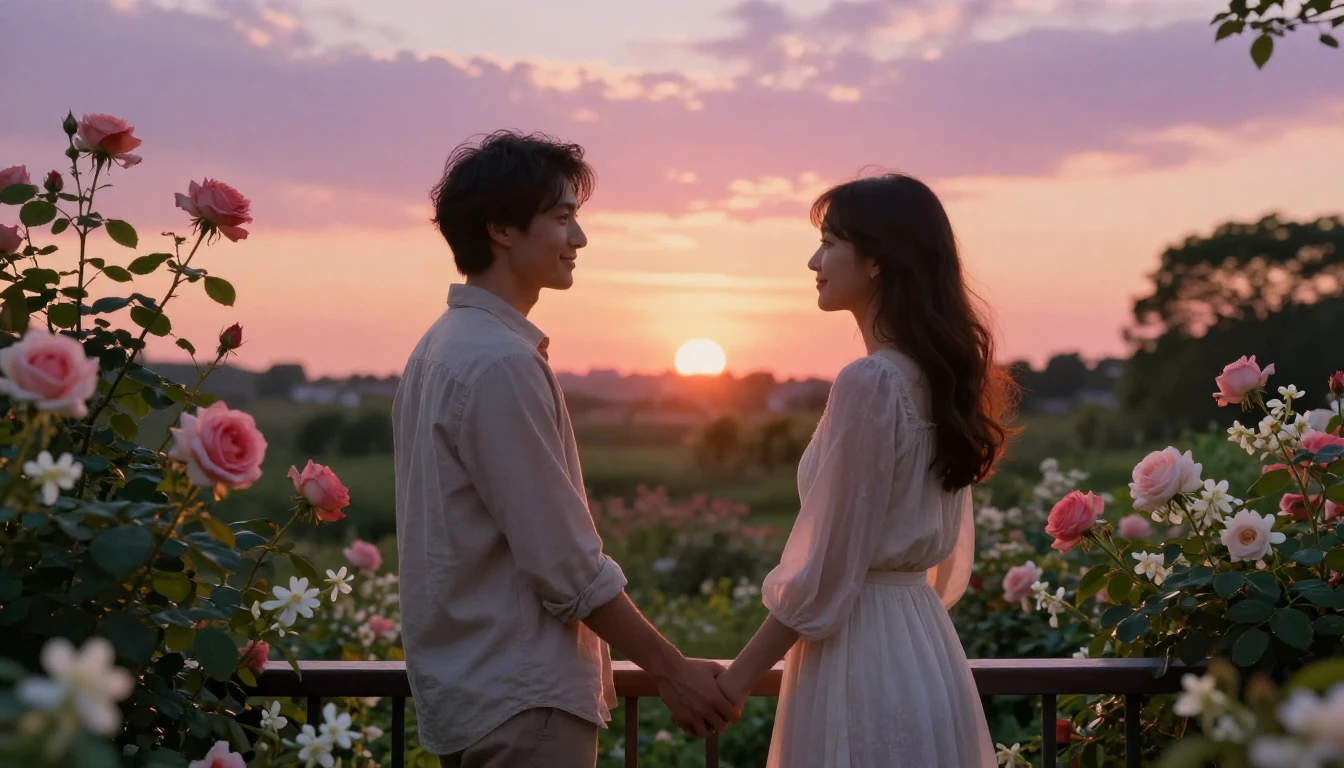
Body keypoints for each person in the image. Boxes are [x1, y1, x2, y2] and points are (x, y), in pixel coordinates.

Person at [393, 130, 738, 768]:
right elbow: (565, 565)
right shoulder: (499, 363)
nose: (578, 239)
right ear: (501, 229)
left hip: (471, 696)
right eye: (561, 218)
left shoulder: (438, 349)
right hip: (525, 701)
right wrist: (672, 671)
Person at [714, 174, 1017, 767]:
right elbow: (944, 556)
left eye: (829, 243)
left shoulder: (873, 381)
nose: (814, 262)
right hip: (925, 648)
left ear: (877, 260)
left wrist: (735, 682)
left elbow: (826, 568)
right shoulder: (940, 380)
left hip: (860, 655)